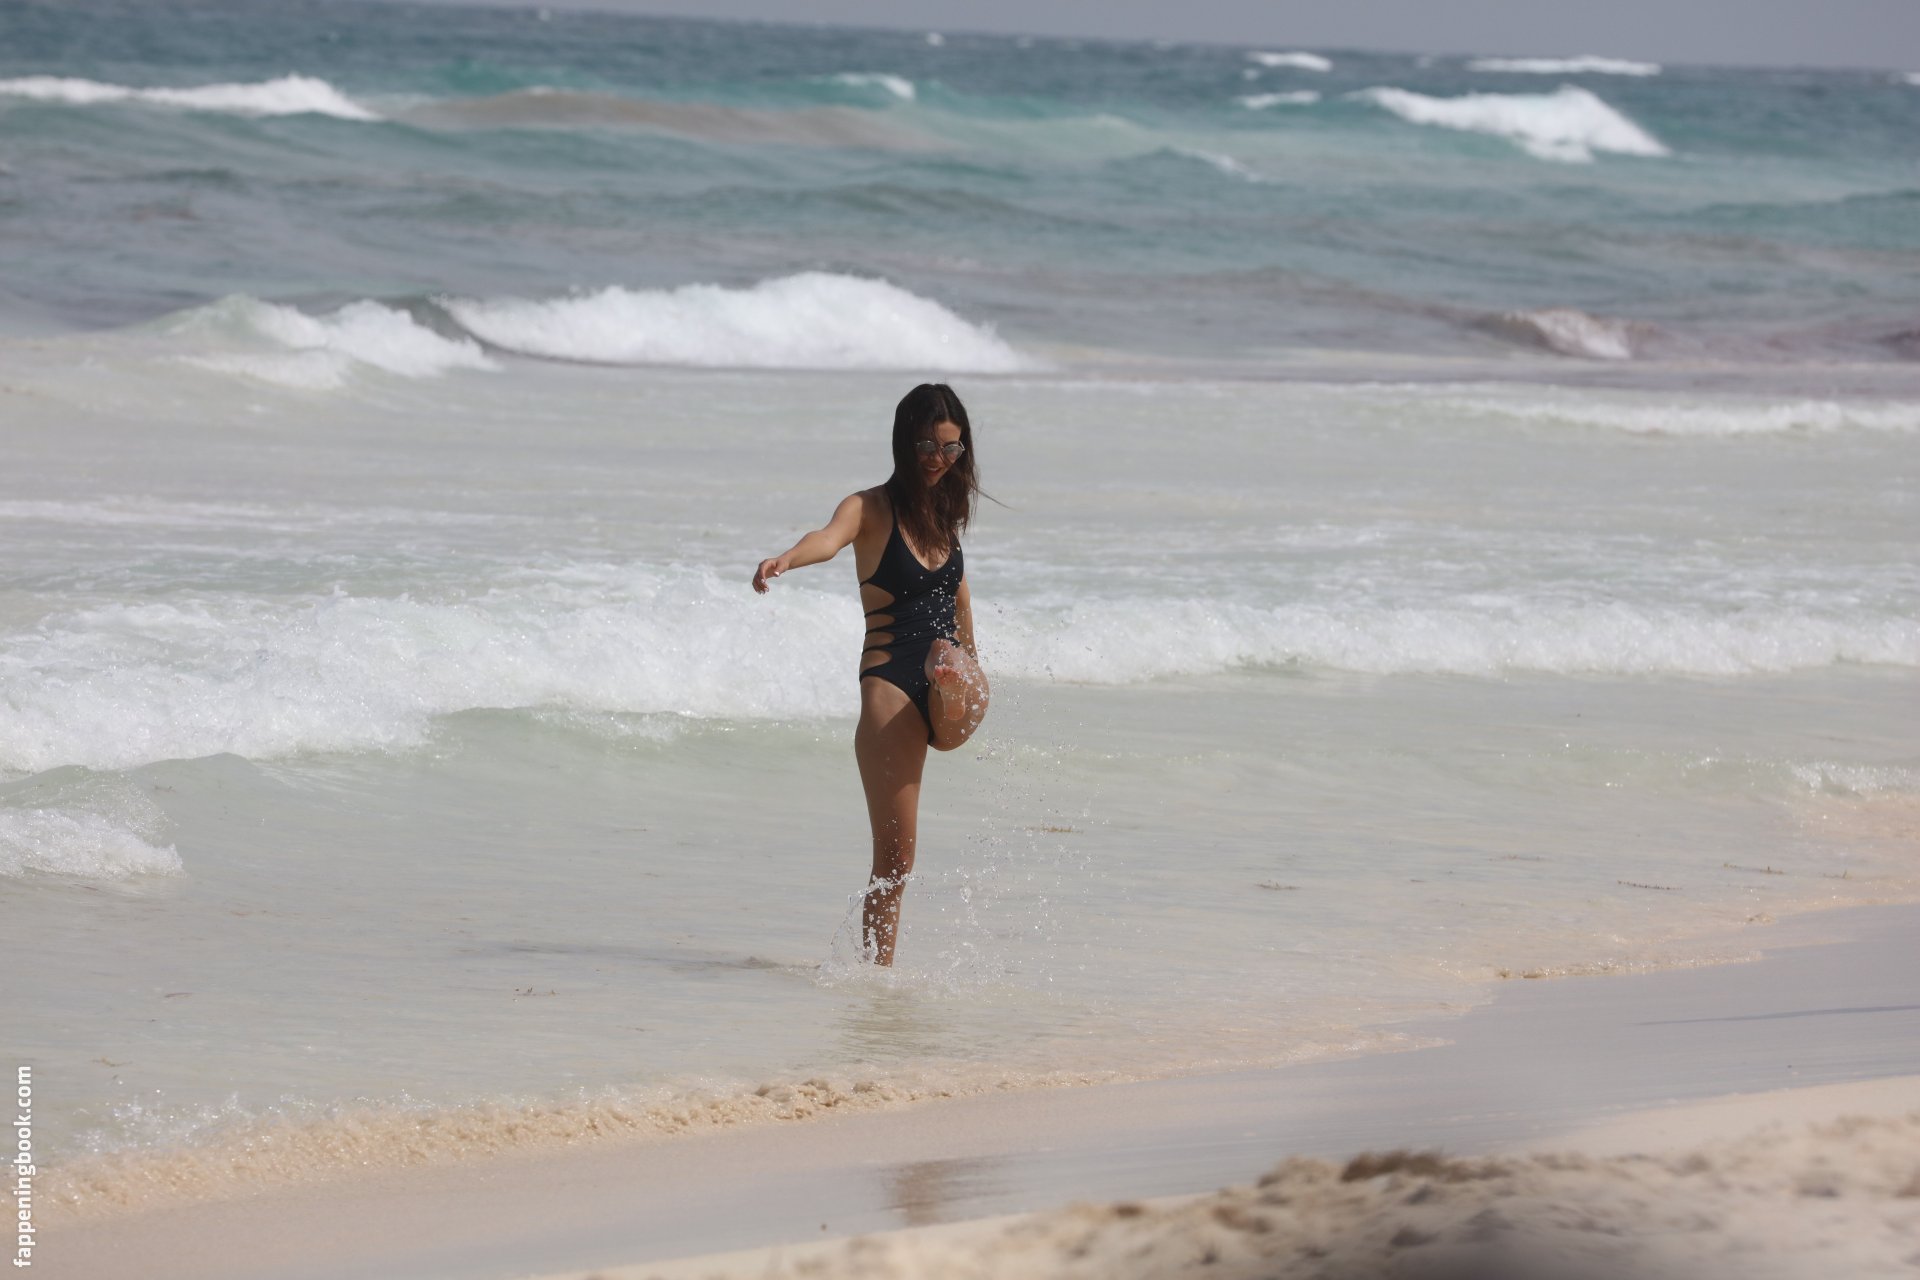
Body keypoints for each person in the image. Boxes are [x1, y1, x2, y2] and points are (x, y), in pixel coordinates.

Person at [752, 383, 991, 965]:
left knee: (957, 667)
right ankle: (876, 977)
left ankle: (950, 679)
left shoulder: (944, 515)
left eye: (951, 449)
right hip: (891, 678)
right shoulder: (870, 507)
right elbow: (827, 539)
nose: (939, 460)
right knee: (896, 859)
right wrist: (786, 558)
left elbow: (959, 595)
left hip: (950, 671)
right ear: (904, 444)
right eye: (928, 447)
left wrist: (971, 655)